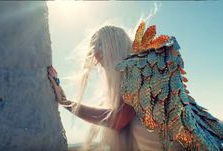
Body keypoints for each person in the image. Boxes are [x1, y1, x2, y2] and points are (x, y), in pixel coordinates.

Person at [47, 25, 186, 151]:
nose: (102, 66)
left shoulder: (142, 73)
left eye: (104, 60)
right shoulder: (131, 80)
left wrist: (66, 102)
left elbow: (117, 120)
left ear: (115, 50)